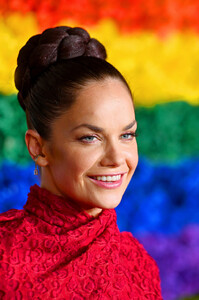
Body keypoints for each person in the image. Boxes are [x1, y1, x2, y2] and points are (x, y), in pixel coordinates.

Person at [0, 26, 162, 299]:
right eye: (90, 137)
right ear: (38, 147)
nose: (116, 158)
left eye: (126, 135)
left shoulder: (139, 265)